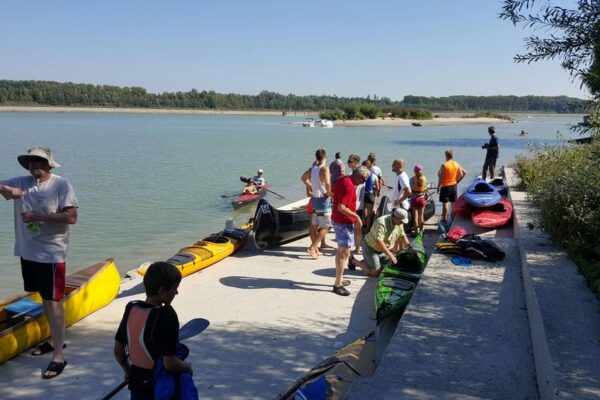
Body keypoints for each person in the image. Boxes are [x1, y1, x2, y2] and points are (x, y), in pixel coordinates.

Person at [0, 147, 78, 379]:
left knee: (54, 303)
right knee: (44, 299)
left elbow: (71, 217)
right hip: (28, 252)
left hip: (51, 254)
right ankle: (53, 339)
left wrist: (38, 216)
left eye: (39, 162)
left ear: (49, 164)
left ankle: (58, 356)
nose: (34, 166)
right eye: (30, 162)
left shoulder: (61, 185)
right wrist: (6, 190)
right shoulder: (22, 183)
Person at [114, 262, 193, 400]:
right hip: (159, 386)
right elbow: (170, 363)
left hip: (137, 384)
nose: (176, 292)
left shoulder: (131, 308)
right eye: (174, 289)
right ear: (162, 291)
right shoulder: (167, 315)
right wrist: (186, 367)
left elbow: (118, 350)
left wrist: (128, 371)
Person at [331, 159, 368, 296]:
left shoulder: (343, 179)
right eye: (364, 180)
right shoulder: (349, 186)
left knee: (342, 252)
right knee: (344, 252)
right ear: (358, 176)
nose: (364, 183)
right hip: (343, 221)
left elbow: (333, 193)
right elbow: (342, 207)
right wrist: (357, 217)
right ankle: (337, 284)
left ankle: (339, 279)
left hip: (338, 219)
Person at [348, 208, 410, 277]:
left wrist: (410, 248)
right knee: (375, 273)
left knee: (391, 263)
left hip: (381, 249)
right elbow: (379, 241)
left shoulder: (399, 223)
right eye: (401, 221)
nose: (403, 223)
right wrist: (390, 255)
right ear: (395, 217)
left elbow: (403, 236)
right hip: (370, 248)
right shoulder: (381, 222)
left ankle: (368, 262)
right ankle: (353, 261)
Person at [301, 149, 333, 259]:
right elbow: (328, 183)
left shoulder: (313, 168)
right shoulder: (325, 168)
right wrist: (329, 194)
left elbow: (303, 178)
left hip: (314, 199)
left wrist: (311, 187)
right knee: (327, 226)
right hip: (323, 200)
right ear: (325, 157)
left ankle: (315, 249)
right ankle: (312, 247)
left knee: (314, 225)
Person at [437, 149, 467, 222]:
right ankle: (453, 219)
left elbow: (441, 177)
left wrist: (438, 187)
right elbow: (464, 173)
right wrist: (457, 181)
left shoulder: (444, 165)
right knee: (453, 203)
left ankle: (444, 219)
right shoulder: (456, 163)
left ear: (446, 155)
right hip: (454, 185)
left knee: (445, 203)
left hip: (445, 186)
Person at [361, 159, 380, 232]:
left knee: (363, 211)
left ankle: (362, 226)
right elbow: (377, 188)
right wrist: (376, 191)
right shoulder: (374, 176)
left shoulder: (364, 174)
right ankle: (368, 229)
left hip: (364, 194)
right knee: (369, 213)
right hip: (370, 195)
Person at [409, 164, 427, 235]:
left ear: (414, 171)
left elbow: (409, 189)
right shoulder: (425, 178)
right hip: (422, 199)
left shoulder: (412, 179)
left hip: (414, 199)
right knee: (421, 216)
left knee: (415, 217)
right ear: (421, 171)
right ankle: (421, 232)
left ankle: (416, 233)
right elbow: (425, 188)